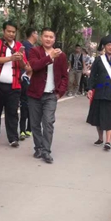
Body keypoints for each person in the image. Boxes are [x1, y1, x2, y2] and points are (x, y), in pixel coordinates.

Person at [26, 28, 68, 164]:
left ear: (54, 39)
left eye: (51, 37)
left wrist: (60, 92)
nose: (48, 39)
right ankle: (38, 147)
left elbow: (64, 76)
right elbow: (34, 66)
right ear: (41, 38)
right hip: (34, 94)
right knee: (35, 123)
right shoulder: (34, 51)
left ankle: (46, 151)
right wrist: (50, 58)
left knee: (48, 123)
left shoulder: (61, 56)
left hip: (51, 95)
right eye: (46, 36)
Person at [0, 21, 27, 147]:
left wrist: (19, 59)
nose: (11, 34)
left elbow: (24, 66)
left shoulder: (19, 46)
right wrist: (11, 58)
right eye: (8, 31)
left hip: (14, 85)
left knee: (12, 112)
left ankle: (13, 138)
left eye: (13, 32)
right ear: (3, 31)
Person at [19, 27, 38, 140]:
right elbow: (24, 63)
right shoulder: (26, 46)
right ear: (32, 34)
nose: (38, 35)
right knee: (25, 104)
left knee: (31, 104)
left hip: (32, 78)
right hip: (26, 78)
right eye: (37, 33)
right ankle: (23, 130)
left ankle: (29, 129)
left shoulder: (33, 48)